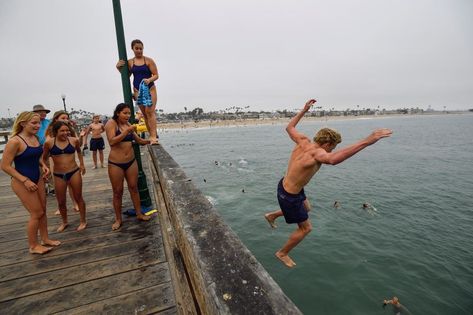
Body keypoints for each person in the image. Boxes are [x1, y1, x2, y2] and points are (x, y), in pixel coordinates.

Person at [264, 99, 392, 268]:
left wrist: (304, 110)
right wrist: (366, 141)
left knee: (307, 209)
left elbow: (289, 128)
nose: (332, 149)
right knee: (306, 229)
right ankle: (282, 253)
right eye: (333, 146)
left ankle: (272, 215)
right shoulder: (318, 154)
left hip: (285, 185)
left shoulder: (303, 141)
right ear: (327, 144)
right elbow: (333, 160)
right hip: (290, 196)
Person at [0, 111, 61, 254]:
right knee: (36, 213)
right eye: (34, 123)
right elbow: (5, 166)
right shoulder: (15, 141)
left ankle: (45, 239)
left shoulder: (34, 138)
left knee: (43, 211)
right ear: (23, 123)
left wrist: (43, 165)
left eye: (39, 123)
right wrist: (25, 180)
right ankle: (33, 246)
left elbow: (36, 156)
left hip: (37, 178)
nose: (38, 126)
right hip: (22, 182)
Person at [105, 103, 152, 230]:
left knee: (134, 188)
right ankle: (118, 219)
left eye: (129, 113)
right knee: (117, 192)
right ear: (118, 113)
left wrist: (151, 140)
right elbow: (112, 141)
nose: (127, 116)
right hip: (116, 163)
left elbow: (139, 141)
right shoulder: (111, 123)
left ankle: (139, 214)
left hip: (131, 161)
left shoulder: (128, 125)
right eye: (125, 113)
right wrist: (125, 132)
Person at [43, 121, 87, 232]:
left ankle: (83, 221)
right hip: (58, 174)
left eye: (67, 130)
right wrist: (45, 167)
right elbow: (43, 158)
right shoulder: (49, 143)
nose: (66, 132)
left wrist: (81, 164)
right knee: (61, 201)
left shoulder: (74, 140)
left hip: (74, 172)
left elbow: (79, 151)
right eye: (62, 131)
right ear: (56, 132)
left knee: (79, 197)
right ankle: (65, 222)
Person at [116, 39, 159, 144]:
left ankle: (154, 136)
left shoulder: (149, 60)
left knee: (150, 111)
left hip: (150, 88)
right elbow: (126, 76)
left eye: (141, 48)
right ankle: (150, 136)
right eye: (137, 48)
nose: (139, 51)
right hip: (137, 90)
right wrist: (118, 68)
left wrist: (149, 80)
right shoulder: (131, 62)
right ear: (133, 49)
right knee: (144, 114)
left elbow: (156, 75)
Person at [46, 111, 81, 214]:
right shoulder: (51, 131)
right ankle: (60, 206)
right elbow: (48, 143)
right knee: (58, 185)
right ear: (56, 119)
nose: (66, 120)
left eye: (67, 118)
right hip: (54, 160)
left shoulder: (70, 129)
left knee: (71, 183)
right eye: (63, 118)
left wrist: (82, 136)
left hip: (69, 160)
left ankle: (75, 203)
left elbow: (76, 142)